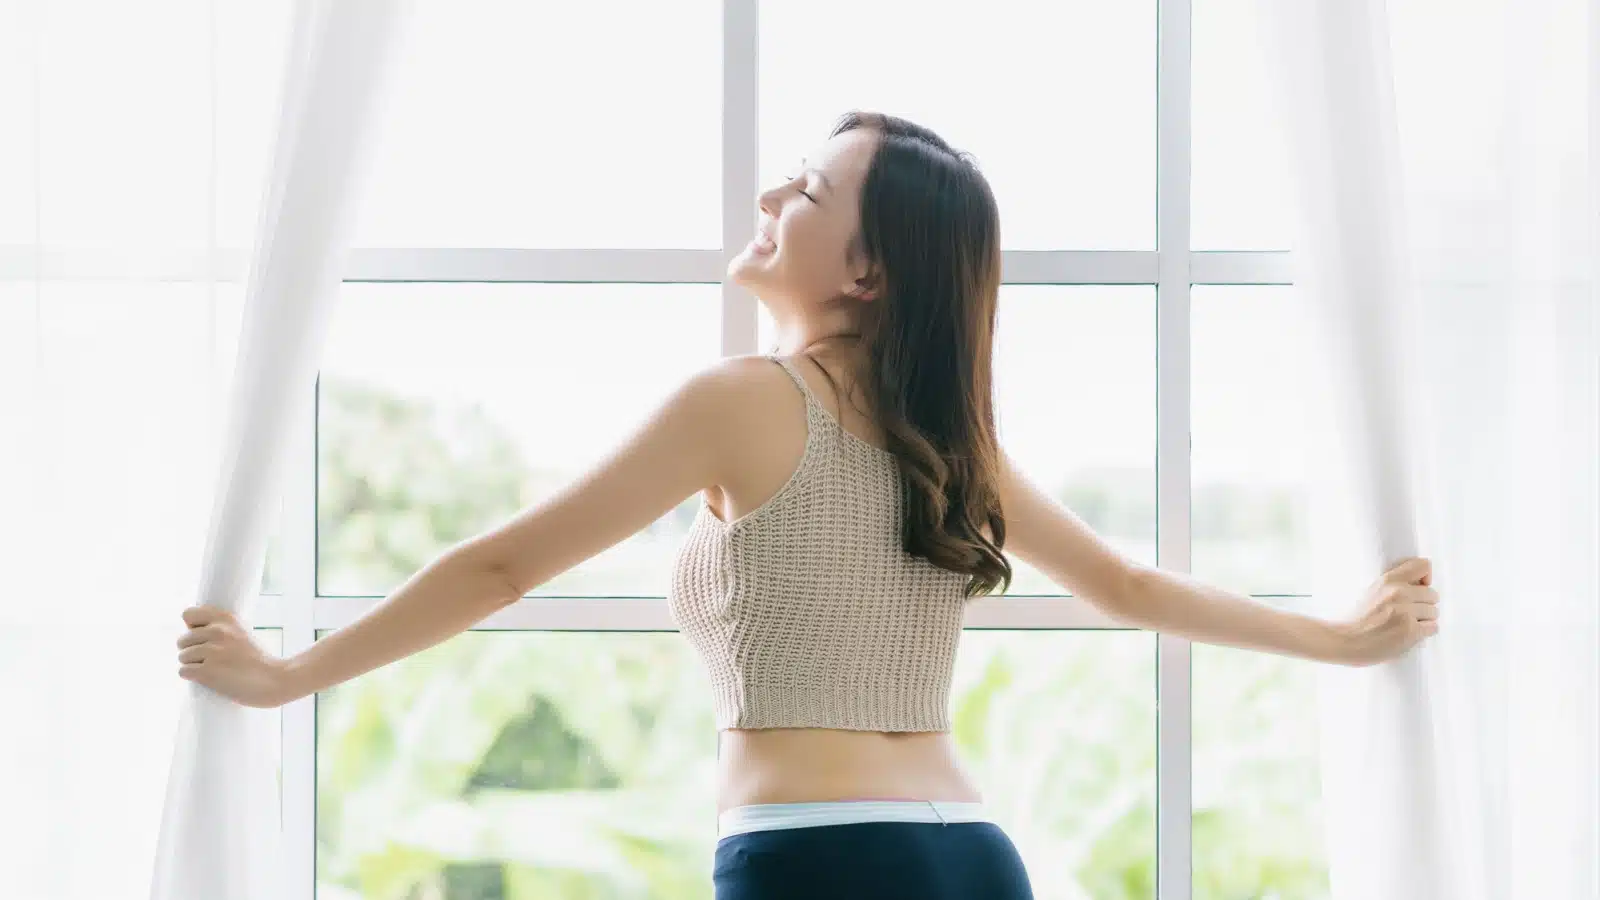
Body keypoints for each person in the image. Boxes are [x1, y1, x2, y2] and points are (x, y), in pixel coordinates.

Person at [176, 111, 1441, 899]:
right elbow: (1131, 590)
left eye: (806, 194)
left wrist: (290, 677)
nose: (773, 203)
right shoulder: (951, 438)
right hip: (974, 857)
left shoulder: (741, 400)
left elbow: (502, 569)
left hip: (819, 857)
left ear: (870, 267)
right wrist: (1343, 637)